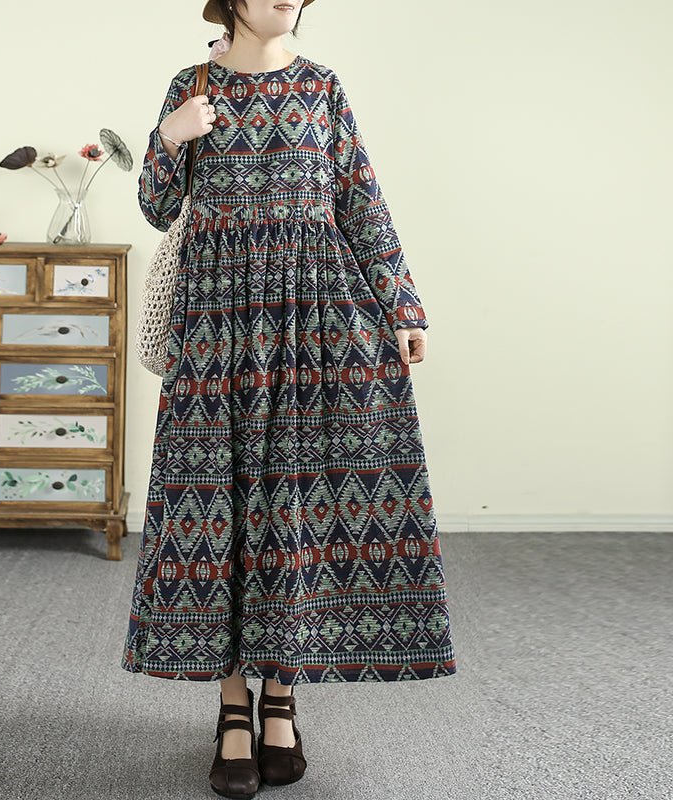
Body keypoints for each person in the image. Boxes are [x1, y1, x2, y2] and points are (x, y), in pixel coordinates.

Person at [121, 1, 457, 797]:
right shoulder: (191, 84)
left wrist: (403, 307)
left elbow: (360, 200)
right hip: (217, 324)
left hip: (315, 318)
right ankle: (231, 706)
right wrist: (170, 137)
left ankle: (281, 697)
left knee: (294, 505)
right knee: (217, 505)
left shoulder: (322, 87)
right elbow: (158, 207)